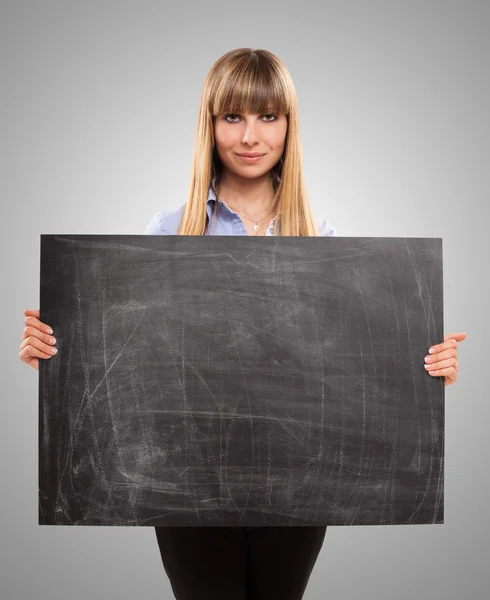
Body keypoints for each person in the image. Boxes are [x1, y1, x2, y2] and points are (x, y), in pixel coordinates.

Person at [18, 48, 466, 600]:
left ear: (288, 126)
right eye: (233, 117)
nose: (250, 137)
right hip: (185, 479)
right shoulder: (168, 232)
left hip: (297, 479)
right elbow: (122, 354)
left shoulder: (322, 242)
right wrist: (52, 347)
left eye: (267, 117)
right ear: (210, 125)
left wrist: (429, 365)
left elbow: (358, 371)